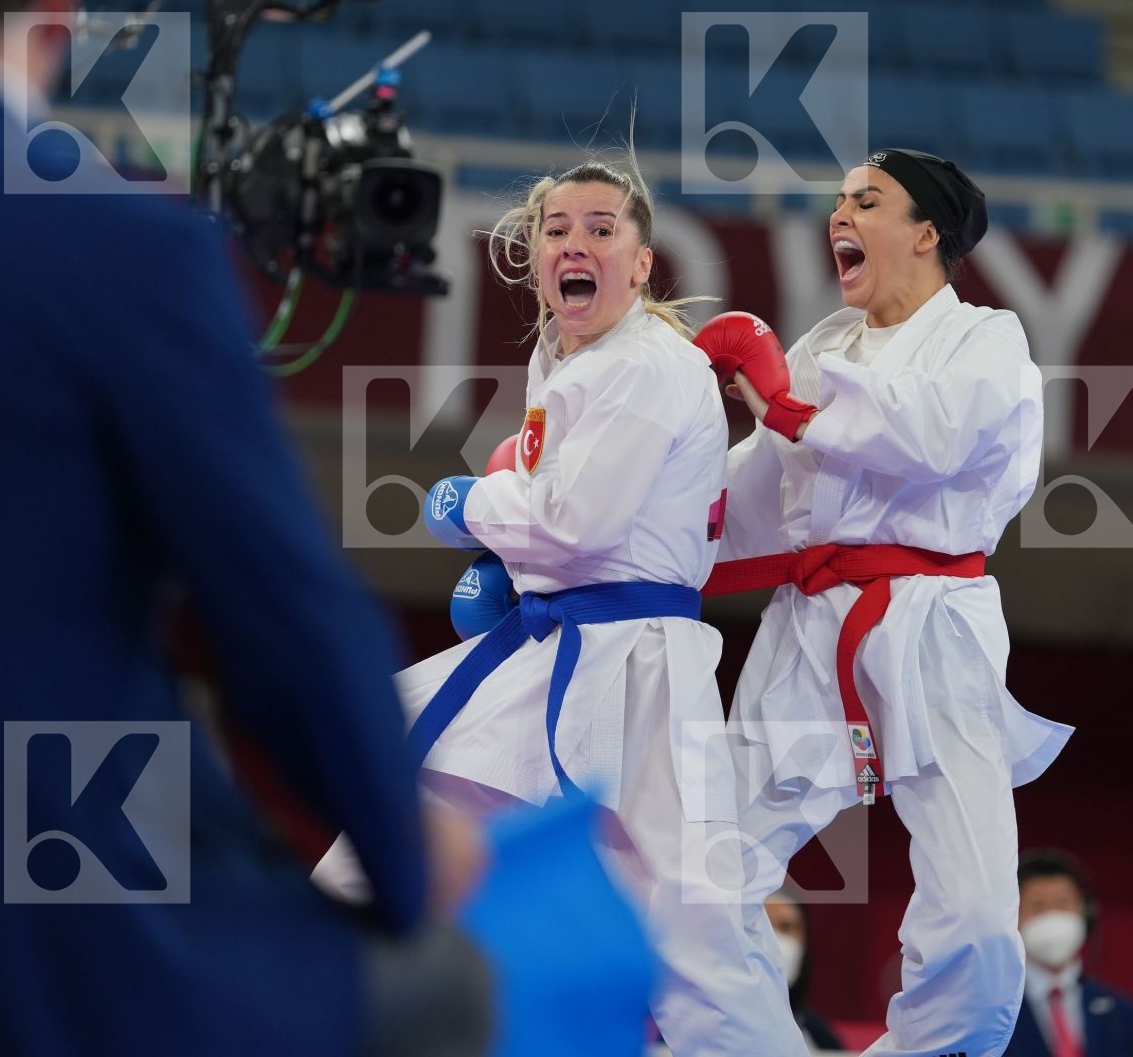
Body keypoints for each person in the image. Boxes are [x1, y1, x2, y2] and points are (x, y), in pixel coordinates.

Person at [0, 0, 486, 1055]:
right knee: (448, 983)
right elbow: (284, 624)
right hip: (28, 956)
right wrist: (408, 853)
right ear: (56, 1)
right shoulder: (114, 246)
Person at [313, 156, 802, 1055]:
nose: (576, 244)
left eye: (602, 229)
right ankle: (300, 1012)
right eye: (557, 229)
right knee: (387, 827)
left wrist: (475, 507)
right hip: (557, 645)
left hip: (641, 666)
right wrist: (516, 567)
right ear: (534, 255)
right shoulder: (569, 358)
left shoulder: (649, 363)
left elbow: (578, 523)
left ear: (643, 262)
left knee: (700, 924)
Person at [698, 148, 1073, 1057]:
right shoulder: (824, 347)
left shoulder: (988, 339)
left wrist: (786, 404)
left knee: (980, 914)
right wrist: (626, 535)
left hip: (936, 621)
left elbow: (933, 435)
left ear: (926, 233)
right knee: (703, 879)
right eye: (836, 203)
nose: (840, 217)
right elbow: (753, 496)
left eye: (866, 201)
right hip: (812, 622)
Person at [1004, 851, 1133, 1057]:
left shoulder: (1124, 1015)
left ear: (1086, 913)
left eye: (1063, 904)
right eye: (1038, 906)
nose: (1052, 916)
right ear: (1012, 917)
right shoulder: (992, 1013)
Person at [766, 890, 847, 1052]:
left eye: (786, 927)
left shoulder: (820, 1036)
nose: (774, 939)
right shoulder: (711, 1027)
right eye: (764, 925)